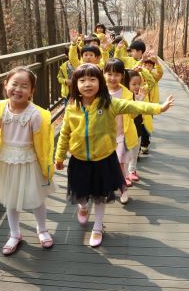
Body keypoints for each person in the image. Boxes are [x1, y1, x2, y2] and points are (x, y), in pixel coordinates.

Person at [55, 63, 174, 247]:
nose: (87, 84)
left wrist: (159, 107)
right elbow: (64, 133)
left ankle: (97, 226)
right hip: (79, 160)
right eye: (82, 80)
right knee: (81, 193)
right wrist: (59, 156)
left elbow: (134, 104)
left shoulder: (109, 103)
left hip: (103, 159)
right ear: (75, 84)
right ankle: (84, 208)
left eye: (93, 79)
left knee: (101, 195)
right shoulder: (72, 108)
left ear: (100, 82)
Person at [0, 67, 56, 256]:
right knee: (10, 199)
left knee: (36, 198)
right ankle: (15, 233)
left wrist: (46, 166)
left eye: (24, 86)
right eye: (14, 84)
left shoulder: (35, 114)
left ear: (31, 91)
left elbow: (43, 143)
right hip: (7, 160)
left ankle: (42, 229)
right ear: (5, 85)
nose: (18, 89)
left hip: (28, 161)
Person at [103, 59, 154, 200]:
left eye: (117, 74)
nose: (113, 78)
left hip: (121, 135)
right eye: (109, 74)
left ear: (122, 76)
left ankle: (123, 189)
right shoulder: (99, 91)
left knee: (120, 164)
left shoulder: (126, 93)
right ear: (104, 73)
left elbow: (131, 115)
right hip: (103, 136)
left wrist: (138, 102)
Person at [126, 69, 149, 182]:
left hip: (137, 127)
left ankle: (132, 170)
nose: (136, 87)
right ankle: (124, 173)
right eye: (133, 84)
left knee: (135, 150)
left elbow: (152, 82)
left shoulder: (140, 95)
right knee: (124, 152)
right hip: (125, 129)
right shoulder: (123, 97)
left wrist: (139, 101)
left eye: (138, 84)